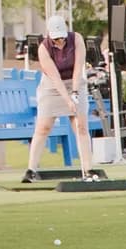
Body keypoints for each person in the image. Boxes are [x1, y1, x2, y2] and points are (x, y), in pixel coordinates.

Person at [22, 15, 96, 182]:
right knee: (44, 127)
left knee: (81, 127)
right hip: (51, 86)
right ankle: (31, 170)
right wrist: (68, 100)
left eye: (62, 37)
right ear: (49, 35)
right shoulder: (43, 48)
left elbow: (78, 68)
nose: (60, 41)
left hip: (75, 82)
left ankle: (88, 169)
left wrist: (75, 92)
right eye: (56, 38)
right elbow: (55, 78)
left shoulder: (77, 39)